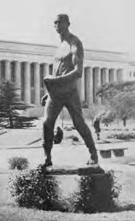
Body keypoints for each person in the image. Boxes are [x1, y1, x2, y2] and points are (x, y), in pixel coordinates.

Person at [40, 14, 98, 167]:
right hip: (56, 93)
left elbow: (78, 72)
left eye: (60, 22)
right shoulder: (59, 46)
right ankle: (47, 158)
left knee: (79, 124)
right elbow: (59, 70)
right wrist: (48, 92)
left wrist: (54, 81)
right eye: (55, 22)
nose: (57, 25)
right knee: (47, 122)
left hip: (70, 92)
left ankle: (93, 153)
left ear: (68, 23)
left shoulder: (75, 43)